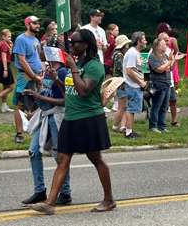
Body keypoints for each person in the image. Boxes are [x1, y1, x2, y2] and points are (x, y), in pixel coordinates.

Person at [27, 29, 115, 215]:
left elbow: (83, 91)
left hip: (89, 118)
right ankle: (49, 203)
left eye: (74, 42)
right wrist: (57, 79)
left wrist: (73, 67)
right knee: (62, 160)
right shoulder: (75, 66)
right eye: (70, 42)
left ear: (85, 44)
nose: (71, 45)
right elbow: (70, 92)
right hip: (71, 118)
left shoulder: (94, 66)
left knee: (96, 158)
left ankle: (109, 199)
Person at [21, 61, 72, 206]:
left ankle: (65, 192)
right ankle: (39, 191)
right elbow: (46, 93)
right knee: (34, 152)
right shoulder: (48, 70)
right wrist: (36, 110)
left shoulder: (62, 72)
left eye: (44, 47)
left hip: (57, 116)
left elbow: (65, 100)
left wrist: (41, 98)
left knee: (59, 156)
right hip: (45, 115)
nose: (40, 50)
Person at [12, 16, 44, 143]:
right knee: (22, 105)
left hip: (37, 76)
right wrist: (34, 77)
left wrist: (41, 74)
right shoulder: (21, 39)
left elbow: (39, 57)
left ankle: (34, 129)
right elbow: (22, 60)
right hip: (26, 77)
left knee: (37, 104)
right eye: (34, 23)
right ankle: (19, 134)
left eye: (38, 23)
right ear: (27, 25)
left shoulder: (36, 40)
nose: (37, 25)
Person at [148, 38, 179, 133]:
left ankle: (162, 125)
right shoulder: (153, 57)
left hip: (167, 83)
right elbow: (159, 69)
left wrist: (174, 60)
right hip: (158, 84)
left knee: (164, 106)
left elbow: (170, 68)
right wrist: (169, 62)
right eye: (164, 44)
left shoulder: (165, 55)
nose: (166, 45)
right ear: (158, 47)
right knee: (156, 105)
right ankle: (153, 125)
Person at [122, 32, 147, 138]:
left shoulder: (134, 52)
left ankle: (129, 130)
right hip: (132, 85)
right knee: (131, 109)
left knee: (132, 108)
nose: (146, 41)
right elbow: (129, 71)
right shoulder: (132, 53)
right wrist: (140, 82)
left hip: (134, 85)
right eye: (144, 39)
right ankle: (128, 132)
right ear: (138, 41)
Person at [110, 35, 131, 134]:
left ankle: (123, 126)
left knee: (124, 106)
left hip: (119, 82)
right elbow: (123, 69)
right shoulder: (119, 55)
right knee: (122, 107)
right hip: (121, 83)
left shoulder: (115, 54)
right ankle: (115, 126)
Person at [0, 29, 15, 113]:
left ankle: (4, 106)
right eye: (8, 36)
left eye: (10, 36)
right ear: (3, 36)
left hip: (1, 64)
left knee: (5, 86)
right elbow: (4, 57)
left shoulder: (3, 44)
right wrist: (5, 69)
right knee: (10, 87)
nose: (10, 38)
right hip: (3, 65)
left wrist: (11, 47)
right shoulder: (4, 44)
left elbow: (8, 55)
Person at [102, 24, 119, 113]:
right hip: (109, 64)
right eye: (116, 30)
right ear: (111, 31)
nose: (117, 32)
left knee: (107, 84)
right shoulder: (113, 41)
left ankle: (114, 103)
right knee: (112, 85)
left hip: (104, 63)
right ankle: (105, 104)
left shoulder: (106, 39)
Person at [168, 29, 182, 117]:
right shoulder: (173, 40)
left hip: (168, 58)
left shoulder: (166, 39)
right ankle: (171, 104)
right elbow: (177, 51)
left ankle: (168, 104)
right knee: (174, 79)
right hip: (173, 58)